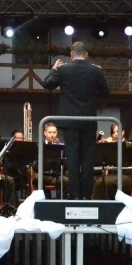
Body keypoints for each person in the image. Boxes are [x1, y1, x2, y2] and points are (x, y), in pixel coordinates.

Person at [42, 41, 111, 199]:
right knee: (87, 159)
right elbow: (106, 93)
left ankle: (74, 195)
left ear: (71, 55)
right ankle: (87, 195)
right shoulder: (95, 71)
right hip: (88, 120)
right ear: (86, 55)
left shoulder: (63, 70)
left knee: (72, 159)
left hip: (69, 120)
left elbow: (47, 84)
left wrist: (54, 69)